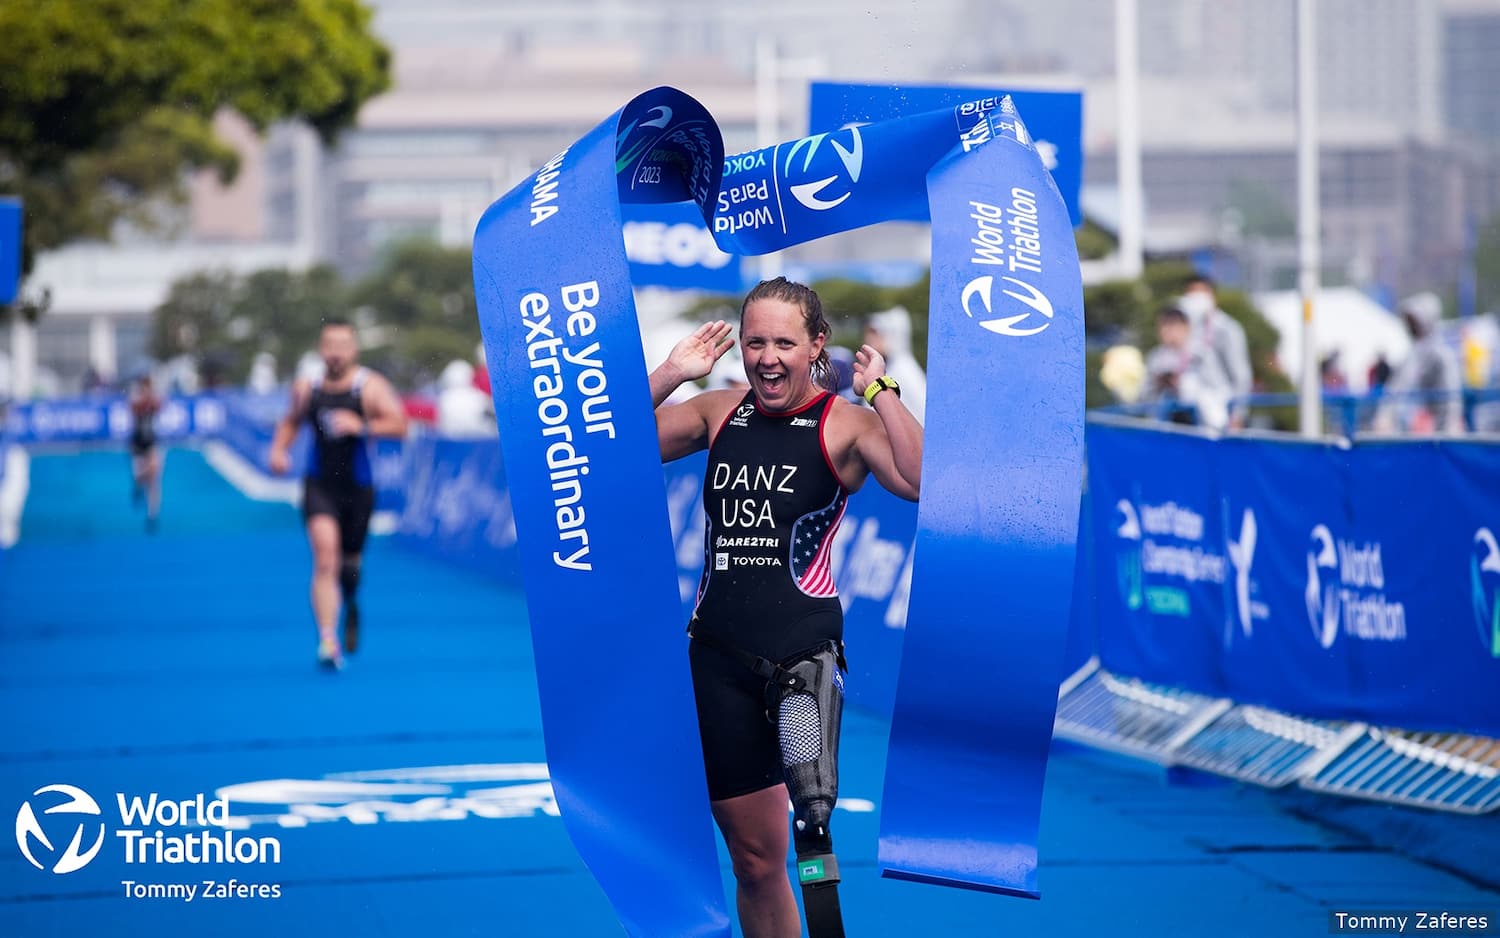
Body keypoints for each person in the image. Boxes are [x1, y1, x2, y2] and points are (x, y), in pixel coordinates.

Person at [650, 277, 922, 938]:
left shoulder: (845, 424)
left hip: (801, 658)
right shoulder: (718, 412)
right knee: (752, 860)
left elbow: (918, 481)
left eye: (784, 343)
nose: (768, 358)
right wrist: (671, 373)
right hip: (717, 659)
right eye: (755, 343)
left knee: (812, 826)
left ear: (816, 346)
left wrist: (881, 392)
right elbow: (602, 453)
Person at [269, 319, 407, 670]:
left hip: (359, 489)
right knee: (325, 559)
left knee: (350, 565)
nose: (335, 353)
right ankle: (328, 640)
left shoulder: (370, 386)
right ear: (321, 348)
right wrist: (279, 449)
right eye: (329, 345)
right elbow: (290, 421)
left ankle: (351, 601)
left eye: (342, 346)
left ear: (353, 350)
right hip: (319, 487)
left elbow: (400, 425)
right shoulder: (307, 386)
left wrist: (361, 425)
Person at [1374, 292, 1464, 434]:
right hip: (1412, 434)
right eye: (1410, 322)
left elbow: (1450, 401)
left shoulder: (1441, 355)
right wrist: (1386, 417)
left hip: (1436, 434)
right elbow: (1397, 389)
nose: (1411, 327)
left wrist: (1447, 426)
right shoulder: (1411, 355)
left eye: (1414, 321)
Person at [1178, 275, 1252, 428]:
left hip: (1222, 413)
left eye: (1201, 292)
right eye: (1191, 293)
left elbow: (1240, 375)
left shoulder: (1227, 329)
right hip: (1193, 413)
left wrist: (1238, 414)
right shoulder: (1189, 328)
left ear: (1212, 296)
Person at [1144, 304, 1232, 428]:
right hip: (1165, 425)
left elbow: (1221, 389)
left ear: (1187, 327)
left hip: (1200, 426)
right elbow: (1143, 396)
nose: (1168, 331)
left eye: (1173, 325)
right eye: (1164, 326)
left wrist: (1184, 385)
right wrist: (1158, 384)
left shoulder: (1201, 354)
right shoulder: (1155, 358)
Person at [862, 305, 928, 424]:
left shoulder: (905, 370)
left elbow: (924, 414)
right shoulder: (887, 368)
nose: (868, 338)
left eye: (876, 333)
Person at [128, 374, 163, 532]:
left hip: (152, 441)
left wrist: (152, 397)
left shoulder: (153, 399)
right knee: (140, 476)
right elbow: (134, 408)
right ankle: (137, 484)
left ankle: (152, 515)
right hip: (137, 443)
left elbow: (160, 406)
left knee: (154, 478)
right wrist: (145, 398)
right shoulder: (135, 397)